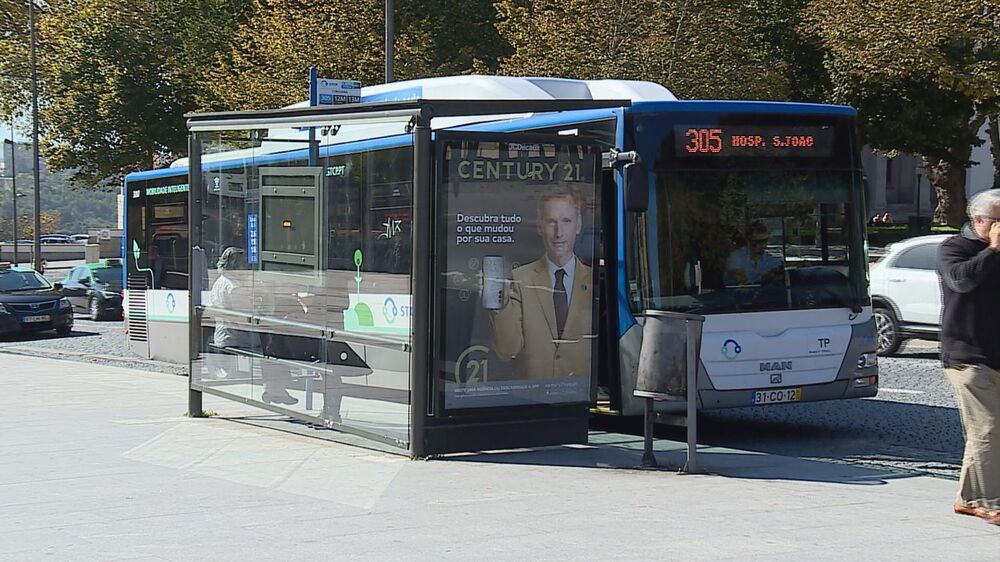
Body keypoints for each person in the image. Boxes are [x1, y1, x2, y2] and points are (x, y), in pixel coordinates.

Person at [937, 188, 1000, 525]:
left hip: (996, 353)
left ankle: (967, 498)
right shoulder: (954, 248)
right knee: (988, 427)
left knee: (989, 430)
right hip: (966, 355)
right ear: (980, 221)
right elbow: (961, 282)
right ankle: (987, 501)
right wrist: (992, 250)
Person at [489, 187, 593, 380]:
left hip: (579, 400)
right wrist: (500, 302)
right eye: (551, 222)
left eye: (566, 221)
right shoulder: (519, 279)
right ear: (539, 226)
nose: (558, 232)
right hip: (533, 400)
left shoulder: (595, 282)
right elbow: (506, 351)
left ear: (578, 225)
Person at [724, 221, 783, 286]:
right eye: (759, 242)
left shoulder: (772, 260)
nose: (763, 246)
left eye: (765, 241)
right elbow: (741, 281)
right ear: (749, 241)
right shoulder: (736, 257)